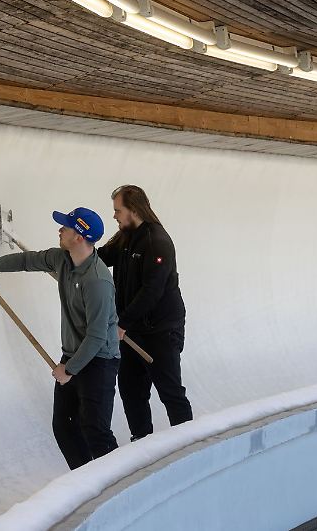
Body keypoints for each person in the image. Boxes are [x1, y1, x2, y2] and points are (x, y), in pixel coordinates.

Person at [0, 207, 119, 470]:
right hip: (73, 354)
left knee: (95, 430)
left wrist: (69, 370)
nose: (60, 229)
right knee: (64, 426)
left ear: (79, 237)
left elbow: (97, 337)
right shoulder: (62, 259)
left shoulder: (98, 281)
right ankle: (85, 480)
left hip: (99, 361)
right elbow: (27, 261)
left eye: (66, 226)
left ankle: (121, 485)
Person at [97, 185, 192, 441]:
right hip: (133, 331)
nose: (115, 216)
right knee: (130, 390)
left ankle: (189, 443)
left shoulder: (157, 241)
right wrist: (73, 254)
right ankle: (142, 442)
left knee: (170, 391)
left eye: (118, 211)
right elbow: (101, 257)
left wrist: (121, 323)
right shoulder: (125, 237)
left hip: (161, 330)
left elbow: (152, 291)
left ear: (133, 209)